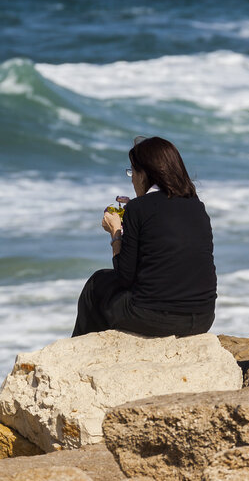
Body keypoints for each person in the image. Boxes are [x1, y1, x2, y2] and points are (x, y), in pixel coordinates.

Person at [71, 136, 216, 337]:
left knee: (96, 285)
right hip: (203, 318)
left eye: (132, 171)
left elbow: (124, 277)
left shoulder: (138, 208)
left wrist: (116, 233)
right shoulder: (196, 206)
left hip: (155, 318)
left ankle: (83, 356)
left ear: (145, 174)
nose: (131, 179)